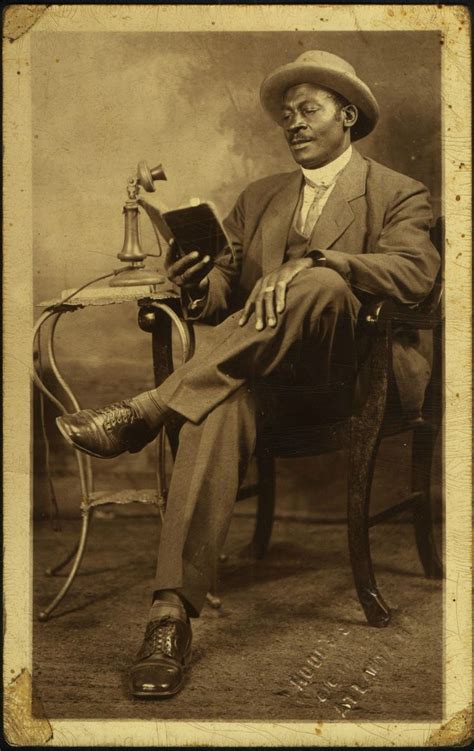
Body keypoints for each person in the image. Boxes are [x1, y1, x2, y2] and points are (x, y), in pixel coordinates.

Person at [56, 50, 440, 699]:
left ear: (347, 115)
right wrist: (196, 282)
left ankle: (151, 408)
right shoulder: (261, 195)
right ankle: (169, 615)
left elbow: (417, 275)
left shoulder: (398, 192)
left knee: (319, 283)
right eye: (286, 114)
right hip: (262, 375)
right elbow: (227, 287)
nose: (292, 123)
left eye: (308, 109)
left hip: (352, 373)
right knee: (216, 404)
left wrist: (320, 261)